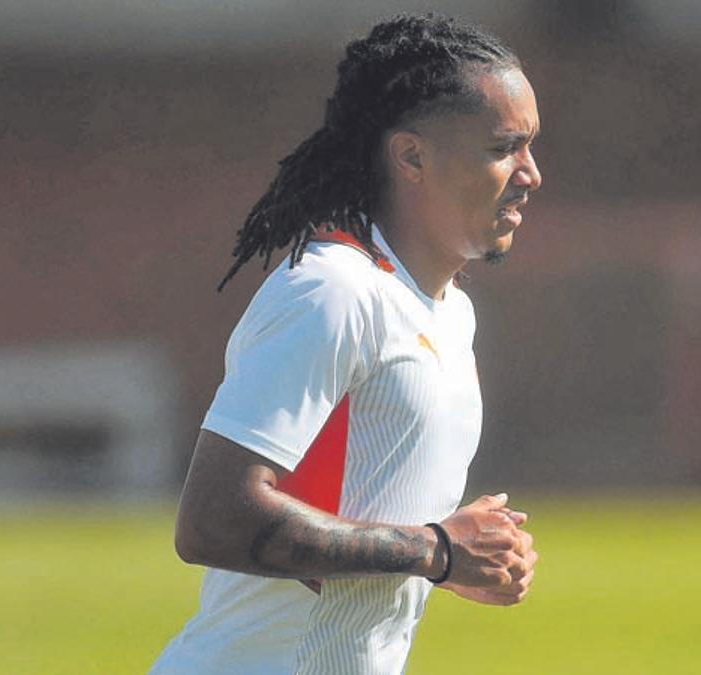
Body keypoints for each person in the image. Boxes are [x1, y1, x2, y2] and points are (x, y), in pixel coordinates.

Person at [151, 13, 542, 674]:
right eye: (503, 147)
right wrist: (435, 550)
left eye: (531, 147)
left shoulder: (451, 314)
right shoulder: (330, 293)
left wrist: (462, 552)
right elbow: (213, 518)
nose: (530, 174)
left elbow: (365, 511)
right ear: (412, 156)